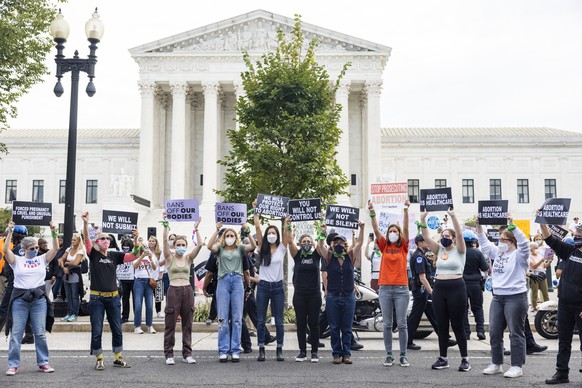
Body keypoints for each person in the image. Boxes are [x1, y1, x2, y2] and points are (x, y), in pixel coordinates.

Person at [3, 220, 59, 376]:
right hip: (20, 299)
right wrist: (10, 232)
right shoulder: (16, 260)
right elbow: (6, 249)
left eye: (36, 247)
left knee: (40, 333)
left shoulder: (42, 259)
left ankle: (43, 362)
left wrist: (54, 231)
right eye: (32, 248)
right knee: (16, 333)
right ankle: (13, 365)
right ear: (24, 249)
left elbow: (55, 248)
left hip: (38, 300)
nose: (35, 250)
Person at [477, 217, 529, 378]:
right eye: (499, 239)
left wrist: (513, 226)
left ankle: (516, 366)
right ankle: (496, 363)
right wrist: (479, 227)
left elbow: (525, 243)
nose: (500, 241)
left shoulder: (520, 255)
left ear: (511, 241)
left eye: (503, 239)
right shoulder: (498, 253)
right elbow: (485, 244)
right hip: (498, 297)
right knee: (494, 331)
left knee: (515, 332)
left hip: (515, 297)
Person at [420, 208, 470, 372]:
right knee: (442, 325)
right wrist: (423, 219)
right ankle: (443, 358)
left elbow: (461, 235)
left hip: (456, 288)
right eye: (443, 236)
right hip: (440, 289)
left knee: (457, 325)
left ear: (454, 239)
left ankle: (464, 359)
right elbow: (426, 236)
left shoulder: (460, 250)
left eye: (447, 237)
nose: (444, 239)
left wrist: (454, 216)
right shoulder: (439, 250)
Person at [82, 212, 130, 370]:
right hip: (97, 299)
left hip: (114, 298)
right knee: (97, 329)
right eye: (102, 238)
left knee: (117, 328)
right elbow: (87, 241)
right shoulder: (93, 254)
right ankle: (99, 358)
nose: (106, 240)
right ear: (97, 241)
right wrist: (86, 223)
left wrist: (137, 242)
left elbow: (132, 256)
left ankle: (118, 357)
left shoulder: (114, 255)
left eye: (108, 238)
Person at [539, 222, 582, 385]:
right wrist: (542, 222)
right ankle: (562, 373)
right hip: (564, 304)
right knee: (564, 341)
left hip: (580, 307)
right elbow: (550, 239)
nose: (576, 237)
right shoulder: (570, 251)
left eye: (579, 236)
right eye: (576, 235)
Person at [369, 200, 411, 367]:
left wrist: (406, 210)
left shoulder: (404, 247)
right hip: (385, 289)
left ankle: (402, 355)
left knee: (401, 323)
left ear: (399, 234)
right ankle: (388, 355)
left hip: (401, 289)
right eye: (390, 231)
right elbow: (376, 229)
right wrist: (372, 212)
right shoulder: (384, 246)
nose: (393, 232)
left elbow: (407, 228)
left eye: (395, 231)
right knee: (386, 324)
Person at [316, 221, 365, 365]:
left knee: (347, 327)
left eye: (341, 242)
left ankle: (347, 354)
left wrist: (361, 228)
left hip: (349, 296)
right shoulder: (329, 256)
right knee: (334, 327)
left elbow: (360, 243)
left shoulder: (350, 256)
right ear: (332, 245)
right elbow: (320, 246)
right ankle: (336, 354)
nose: (338, 244)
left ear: (345, 245)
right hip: (333, 296)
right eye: (335, 242)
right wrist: (322, 232)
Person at [206, 222, 254, 362]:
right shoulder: (220, 249)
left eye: (232, 235)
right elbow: (209, 246)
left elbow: (254, 246)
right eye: (227, 235)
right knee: (222, 318)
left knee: (237, 318)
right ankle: (223, 350)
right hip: (223, 282)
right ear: (224, 237)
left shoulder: (240, 248)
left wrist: (247, 230)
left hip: (237, 282)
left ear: (236, 237)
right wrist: (216, 229)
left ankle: (235, 350)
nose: (229, 237)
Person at [161, 214, 203, 365]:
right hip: (173, 290)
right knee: (170, 323)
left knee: (188, 324)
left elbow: (199, 245)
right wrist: (166, 224)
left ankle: (187, 353)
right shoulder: (169, 257)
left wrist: (196, 228)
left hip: (187, 291)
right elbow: (165, 241)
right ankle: (169, 354)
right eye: (178, 244)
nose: (180, 247)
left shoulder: (188, 258)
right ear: (174, 246)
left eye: (182, 244)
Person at [253, 203, 290, 362]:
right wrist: (256, 211)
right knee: (261, 320)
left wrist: (287, 222)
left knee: (279, 321)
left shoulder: (282, 248)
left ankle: (279, 348)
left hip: (277, 288)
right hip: (263, 287)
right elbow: (258, 229)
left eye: (274, 233)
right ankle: (261, 347)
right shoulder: (262, 248)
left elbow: (287, 234)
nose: (272, 235)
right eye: (270, 233)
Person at [288, 225, 322, 363]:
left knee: (314, 324)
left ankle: (314, 352)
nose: (306, 244)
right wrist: (290, 228)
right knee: (301, 324)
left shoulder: (316, 255)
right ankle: (302, 352)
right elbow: (290, 242)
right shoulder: (297, 256)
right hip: (300, 295)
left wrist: (321, 227)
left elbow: (321, 243)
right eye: (304, 242)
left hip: (314, 294)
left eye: (309, 242)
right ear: (300, 244)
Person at [407, 234, 439, 351]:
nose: (429, 243)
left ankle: (444, 337)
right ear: (420, 243)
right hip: (421, 290)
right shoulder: (419, 257)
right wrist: (432, 292)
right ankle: (407, 341)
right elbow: (422, 278)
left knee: (432, 314)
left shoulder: (421, 255)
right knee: (415, 317)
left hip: (422, 290)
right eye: (426, 241)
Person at [462, 230, 489, 340]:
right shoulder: (478, 253)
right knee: (477, 308)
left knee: (463, 309)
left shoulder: (459, 252)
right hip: (475, 284)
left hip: (461, 283)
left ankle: (466, 332)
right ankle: (480, 331)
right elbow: (484, 267)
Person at [132, 231, 159, 334]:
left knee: (149, 305)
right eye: (141, 248)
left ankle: (149, 325)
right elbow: (135, 266)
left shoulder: (151, 256)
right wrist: (141, 256)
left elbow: (155, 267)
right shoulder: (136, 256)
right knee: (138, 305)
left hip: (148, 281)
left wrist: (151, 258)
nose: (144, 249)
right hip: (139, 281)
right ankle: (137, 326)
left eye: (145, 247)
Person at [57, 233, 85, 322]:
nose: (72, 241)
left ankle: (74, 313)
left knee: (74, 295)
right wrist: (63, 267)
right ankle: (68, 313)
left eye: (74, 240)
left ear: (79, 241)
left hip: (75, 274)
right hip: (66, 273)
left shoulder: (81, 251)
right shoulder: (68, 249)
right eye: (72, 240)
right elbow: (60, 259)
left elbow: (75, 263)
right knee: (68, 295)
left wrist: (66, 263)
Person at [117, 237, 135, 324]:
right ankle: (125, 316)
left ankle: (137, 316)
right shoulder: (120, 254)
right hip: (123, 279)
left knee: (136, 299)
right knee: (125, 298)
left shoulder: (134, 254)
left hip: (134, 279)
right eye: (124, 245)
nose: (126, 247)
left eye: (127, 245)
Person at [528, 242, 550, 311]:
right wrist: (541, 261)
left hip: (542, 274)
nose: (537, 249)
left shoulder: (540, 255)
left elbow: (544, 266)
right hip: (534, 275)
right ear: (531, 249)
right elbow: (533, 266)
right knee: (535, 293)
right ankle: (534, 307)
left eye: (537, 248)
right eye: (535, 248)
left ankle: (547, 307)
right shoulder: (529, 256)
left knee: (545, 292)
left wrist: (549, 261)